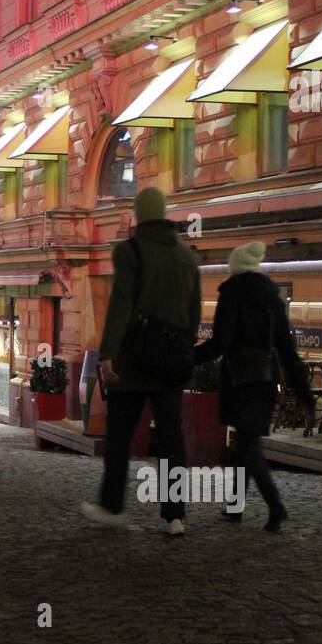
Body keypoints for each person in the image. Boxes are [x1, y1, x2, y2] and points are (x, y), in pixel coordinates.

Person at [82, 187, 200, 536]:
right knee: (171, 437)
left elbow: (121, 304)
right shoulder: (186, 256)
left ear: (138, 215)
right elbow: (193, 312)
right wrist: (182, 346)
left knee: (120, 434)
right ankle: (174, 515)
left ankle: (113, 505)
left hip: (134, 358)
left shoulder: (129, 251)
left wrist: (107, 353)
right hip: (171, 359)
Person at [193, 241, 314, 532]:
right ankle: (235, 507)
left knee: (248, 446)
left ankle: (275, 506)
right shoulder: (272, 297)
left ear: (234, 268)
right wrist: (304, 391)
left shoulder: (232, 294)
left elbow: (219, 343)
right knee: (244, 443)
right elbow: (287, 349)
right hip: (265, 377)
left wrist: (186, 359)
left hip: (240, 378)